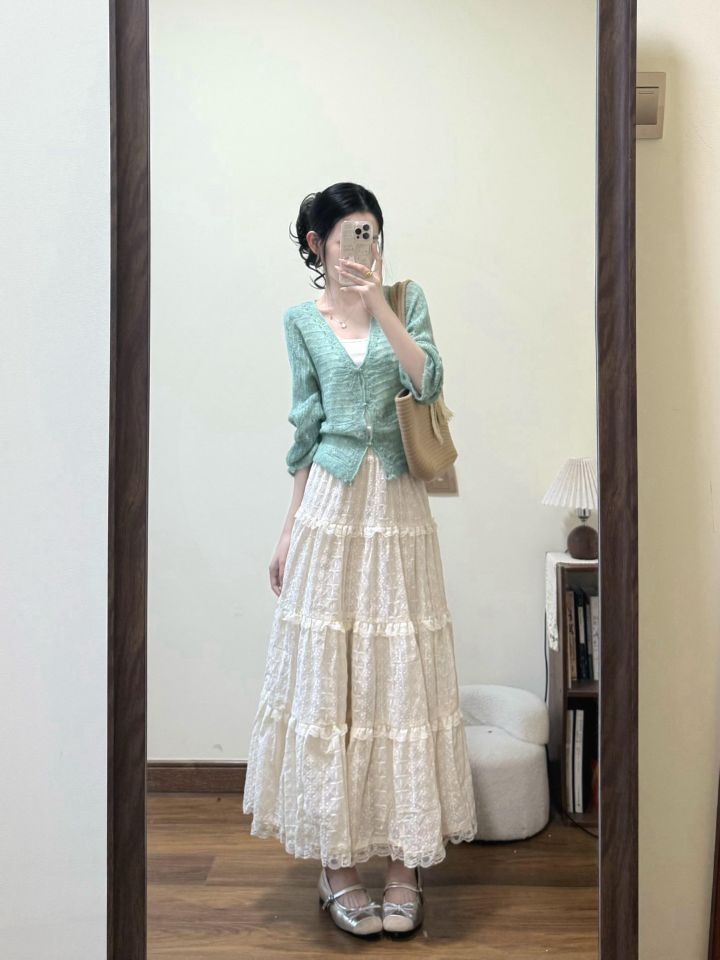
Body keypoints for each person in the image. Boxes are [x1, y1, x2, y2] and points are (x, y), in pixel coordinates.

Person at [242, 182, 477, 937]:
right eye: (350, 233)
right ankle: (336, 866)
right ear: (318, 244)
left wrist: (377, 303)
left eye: (372, 231)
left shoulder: (405, 301)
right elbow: (307, 430)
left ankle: (406, 865)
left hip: (398, 508)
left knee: (400, 679)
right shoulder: (300, 322)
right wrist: (286, 532)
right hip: (329, 507)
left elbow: (426, 379)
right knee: (330, 684)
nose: (364, 245)